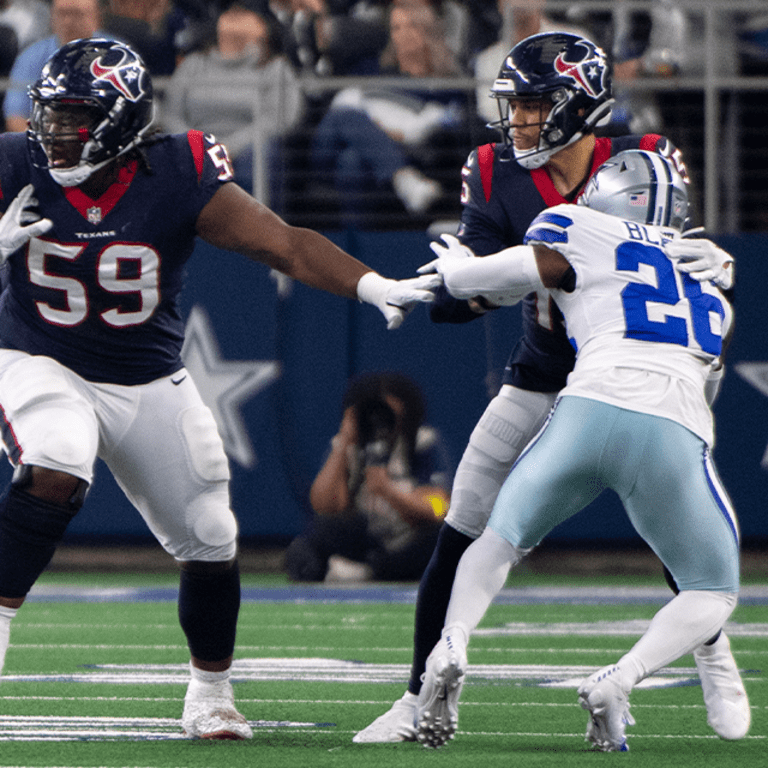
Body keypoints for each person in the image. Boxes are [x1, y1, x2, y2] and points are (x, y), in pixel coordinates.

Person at [0, 37, 439, 741]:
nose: (52, 134)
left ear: (120, 121)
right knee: (56, 454)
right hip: (38, 361)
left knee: (210, 532)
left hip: (146, 377)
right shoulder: (13, 161)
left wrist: (372, 283)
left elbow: (284, 244)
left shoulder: (177, 171)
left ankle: (210, 692)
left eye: (74, 118)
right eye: (49, 116)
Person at [353, 31, 749, 745]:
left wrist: (712, 253)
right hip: (544, 373)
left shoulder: (640, 160)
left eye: (535, 105)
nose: (519, 122)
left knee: (672, 535)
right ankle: (416, 696)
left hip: (625, 365)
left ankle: (714, 655)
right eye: (518, 106)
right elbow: (465, 286)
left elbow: (672, 252)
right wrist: (475, 288)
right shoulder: (492, 167)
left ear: (581, 108)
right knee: (466, 520)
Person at [414, 149, 742, 751]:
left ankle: (453, 640)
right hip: (673, 423)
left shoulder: (575, 224)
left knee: (497, 541)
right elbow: (709, 383)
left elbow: (511, 271)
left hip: (584, 406)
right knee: (712, 590)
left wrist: (459, 272)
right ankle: (621, 679)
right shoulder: (711, 291)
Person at [310, 0, 470, 226]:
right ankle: (404, 180)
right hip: (331, 144)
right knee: (343, 114)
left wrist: (394, 135)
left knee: (351, 162)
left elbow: (448, 120)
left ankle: (358, 248)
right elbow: (343, 104)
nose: (402, 35)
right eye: (396, 27)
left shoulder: (445, 84)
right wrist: (376, 130)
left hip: (398, 152)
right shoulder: (371, 69)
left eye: (411, 26)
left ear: (429, 31)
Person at [285, 371, 451, 582]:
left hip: (406, 540)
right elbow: (323, 505)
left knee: (440, 541)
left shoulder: (423, 443)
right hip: (362, 536)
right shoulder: (347, 446)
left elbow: (439, 509)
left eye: (388, 412)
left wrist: (388, 491)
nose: (379, 421)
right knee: (309, 542)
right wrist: (345, 440)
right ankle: (353, 569)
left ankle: (369, 572)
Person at [162, 0, 304, 200]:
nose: (233, 18)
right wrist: (198, 147)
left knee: (259, 155)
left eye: (244, 14)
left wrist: (227, 148)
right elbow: (170, 114)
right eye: (229, 13)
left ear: (263, 28)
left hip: (246, 152)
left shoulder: (274, 68)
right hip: (195, 152)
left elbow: (279, 119)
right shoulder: (193, 65)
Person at [3, 0, 104, 133]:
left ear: (96, 18)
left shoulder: (117, 55)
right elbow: (15, 117)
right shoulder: (31, 56)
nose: (68, 22)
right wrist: (47, 146)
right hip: (45, 144)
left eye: (76, 14)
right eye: (62, 14)